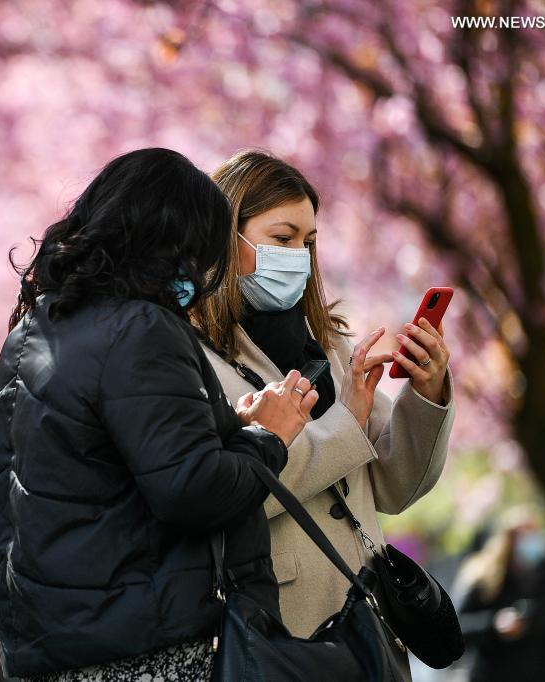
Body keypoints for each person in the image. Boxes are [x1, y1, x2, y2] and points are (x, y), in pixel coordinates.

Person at [0, 148, 320, 680]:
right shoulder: (142, 328)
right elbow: (192, 489)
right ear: (172, 239)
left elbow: (103, 464)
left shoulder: (32, 333)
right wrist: (268, 436)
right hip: (145, 648)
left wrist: (224, 423)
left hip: (50, 648)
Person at [191, 149, 455, 677]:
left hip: (369, 618)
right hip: (286, 632)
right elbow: (226, 492)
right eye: (281, 238)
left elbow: (397, 487)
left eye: (308, 242)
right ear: (225, 237)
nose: (297, 256)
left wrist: (427, 394)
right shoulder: (190, 356)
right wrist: (345, 426)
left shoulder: (327, 343)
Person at [455, 509, 545, 682]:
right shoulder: (486, 583)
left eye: (535, 533)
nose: (532, 540)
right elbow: (458, 628)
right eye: (525, 534)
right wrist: (494, 625)